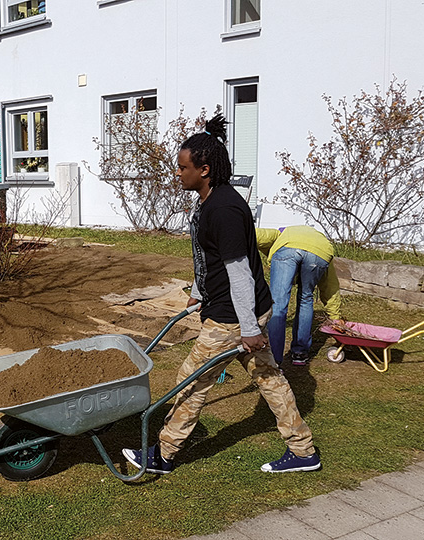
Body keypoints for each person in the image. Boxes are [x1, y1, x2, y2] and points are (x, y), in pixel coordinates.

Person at [123, 114, 320, 474]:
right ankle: (303, 451)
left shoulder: (225, 209)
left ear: (205, 170)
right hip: (240, 308)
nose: (178, 173)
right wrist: (199, 291)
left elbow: (239, 272)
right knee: (269, 378)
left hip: (233, 315)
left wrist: (249, 328)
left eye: (183, 168)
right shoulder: (210, 200)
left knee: (191, 381)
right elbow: (208, 257)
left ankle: (164, 454)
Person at [257, 226, 344, 366]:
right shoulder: (319, 240)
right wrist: (335, 316)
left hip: (288, 249)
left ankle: (274, 360)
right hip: (320, 252)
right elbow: (330, 284)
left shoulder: (280, 234)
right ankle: (300, 353)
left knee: (278, 304)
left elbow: (252, 233)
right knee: (306, 298)